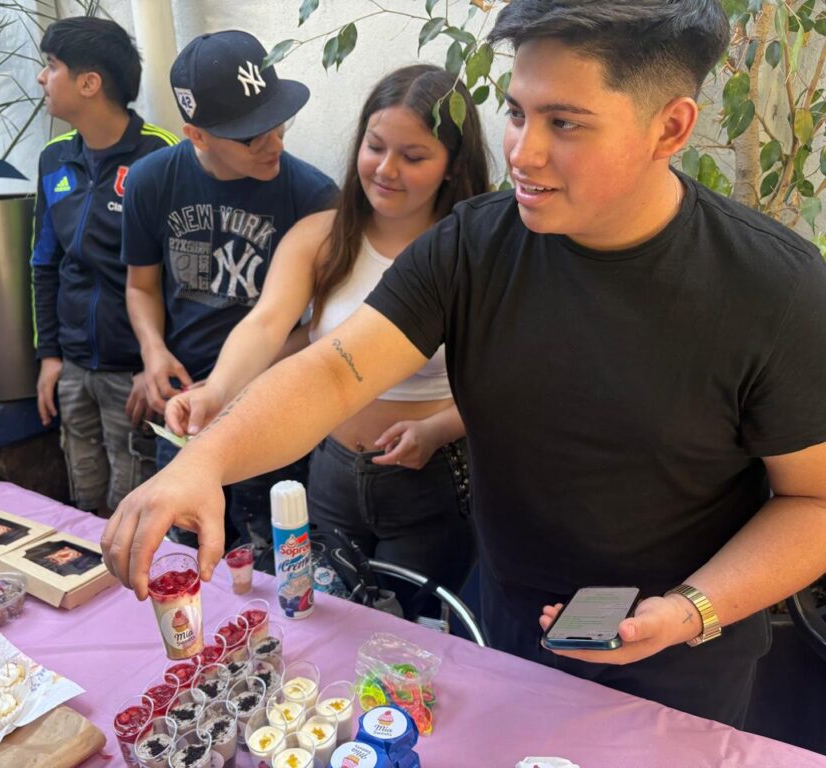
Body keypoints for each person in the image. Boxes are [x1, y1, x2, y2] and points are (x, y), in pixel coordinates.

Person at [101, 0, 826, 727]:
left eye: (564, 123)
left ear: (670, 128)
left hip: (683, 658)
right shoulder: (474, 245)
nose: (523, 153)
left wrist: (691, 611)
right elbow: (334, 370)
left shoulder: (773, 289)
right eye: (516, 113)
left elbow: (814, 503)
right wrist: (207, 458)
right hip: (510, 623)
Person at [164, 64, 488, 597]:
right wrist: (216, 392)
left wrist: (439, 428)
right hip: (332, 469)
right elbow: (266, 324)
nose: (386, 169)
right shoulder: (323, 237)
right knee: (323, 612)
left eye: (413, 157)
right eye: (375, 147)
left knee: (409, 626)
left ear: (453, 165)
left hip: (431, 475)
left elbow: (506, 381)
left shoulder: (473, 254)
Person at [120, 30, 337, 550]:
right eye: (250, 137)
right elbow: (141, 286)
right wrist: (152, 351)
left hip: (270, 403)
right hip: (183, 405)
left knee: (273, 556)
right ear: (196, 135)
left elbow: (321, 324)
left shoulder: (313, 196)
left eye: (278, 122)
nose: (274, 143)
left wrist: (236, 383)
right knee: (183, 554)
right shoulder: (152, 181)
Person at [32, 17, 178, 516]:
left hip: (134, 373)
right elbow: (44, 263)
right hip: (74, 367)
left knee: (132, 505)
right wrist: (50, 356)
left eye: (52, 65)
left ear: (89, 83)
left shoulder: (161, 155)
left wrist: (154, 364)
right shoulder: (54, 158)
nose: (42, 77)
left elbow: (181, 279)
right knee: (84, 498)